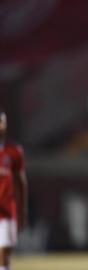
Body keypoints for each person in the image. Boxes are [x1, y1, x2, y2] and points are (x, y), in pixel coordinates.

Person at [0, 109, 28, 270]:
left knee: (4, 254)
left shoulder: (14, 151)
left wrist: (22, 211)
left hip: (7, 212)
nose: (1, 125)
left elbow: (21, 182)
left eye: (3, 122)